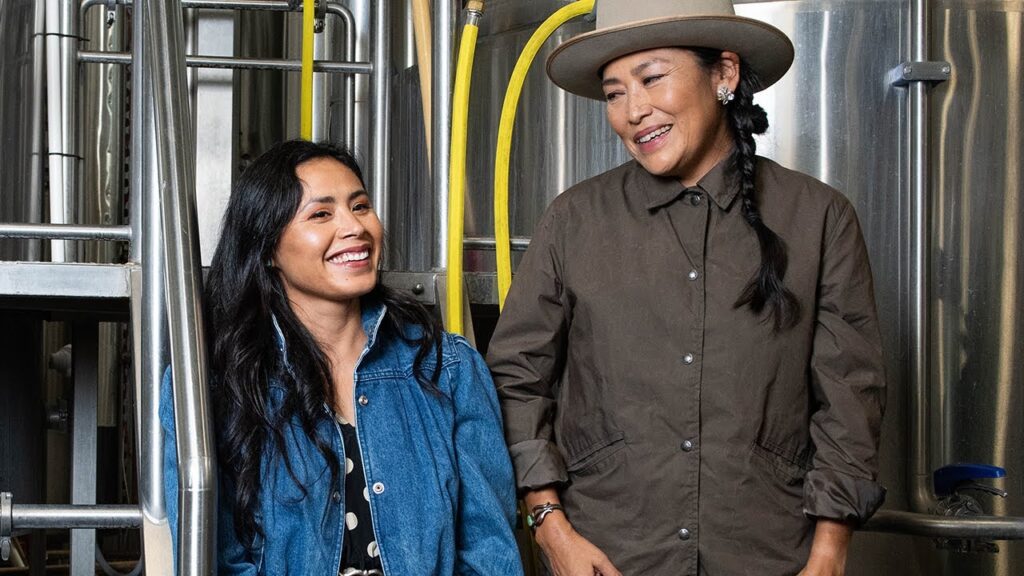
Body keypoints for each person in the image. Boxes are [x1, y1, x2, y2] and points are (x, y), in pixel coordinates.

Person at [486, 1, 886, 575]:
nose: (634, 111)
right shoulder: (574, 220)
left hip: (770, 555)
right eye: (615, 93)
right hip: (608, 555)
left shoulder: (819, 218)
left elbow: (851, 397)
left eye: (652, 79)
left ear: (723, 74)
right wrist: (552, 531)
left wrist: (828, 553)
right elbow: (516, 380)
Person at [162, 140, 524, 575]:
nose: (354, 227)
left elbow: (490, 552)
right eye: (321, 213)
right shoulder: (216, 384)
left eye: (361, 206)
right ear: (269, 247)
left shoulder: (448, 369)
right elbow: (215, 560)